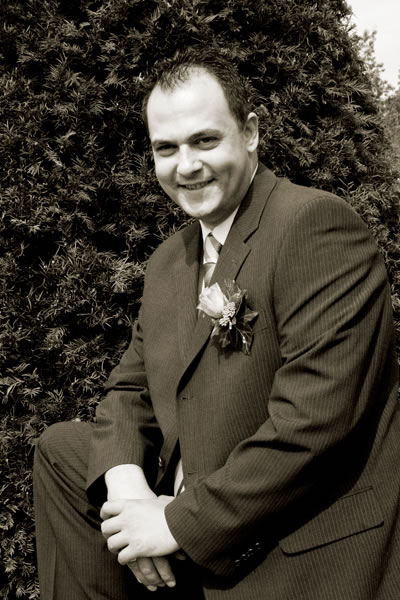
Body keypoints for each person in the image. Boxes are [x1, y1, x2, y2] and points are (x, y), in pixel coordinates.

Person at [33, 47, 400, 600]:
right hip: (192, 503)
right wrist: (128, 491)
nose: (186, 166)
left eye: (205, 141)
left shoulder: (315, 226)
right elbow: (129, 389)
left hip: (294, 541)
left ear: (250, 133)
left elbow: (316, 422)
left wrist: (174, 525)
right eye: (166, 148)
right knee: (64, 450)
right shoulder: (169, 260)